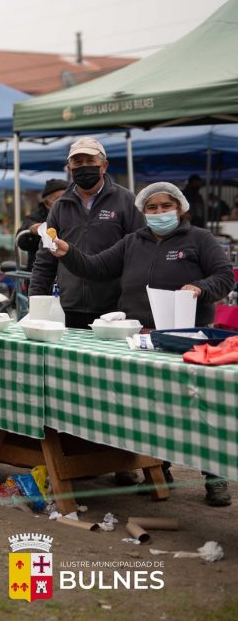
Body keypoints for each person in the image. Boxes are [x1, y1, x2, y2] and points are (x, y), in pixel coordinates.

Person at [53, 182, 233, 508]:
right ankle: (160, 470)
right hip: (143, 337)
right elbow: (97, 268)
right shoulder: (131, 242)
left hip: (189, 336)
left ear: (180, 208)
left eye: (166, 206)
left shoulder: (199, 240)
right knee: (154, 404)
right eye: (152, 208)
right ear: (143, 212)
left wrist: (200, 287)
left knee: (198, 404)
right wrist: (70, 254)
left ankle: (215, 477)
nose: (160, 212)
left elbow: (225, 276)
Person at [29, 137, 145, 330]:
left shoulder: (126, 202)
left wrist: (133, 303)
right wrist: (35, 305)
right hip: (68, 308)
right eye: (78, 162)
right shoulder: (59, 206)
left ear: (104, 166)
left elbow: (139, 256)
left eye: (90, 161)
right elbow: (44, 261)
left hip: (114, 311)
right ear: (69, 167)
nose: (84, 167)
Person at [16, 178, 68, 271]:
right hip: (40, 272)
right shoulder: (36, 217)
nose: (64, 202)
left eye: (67, 197)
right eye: (58, 199)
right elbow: (22, 239)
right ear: (47, 203)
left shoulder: (76, 215)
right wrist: (32, 228)